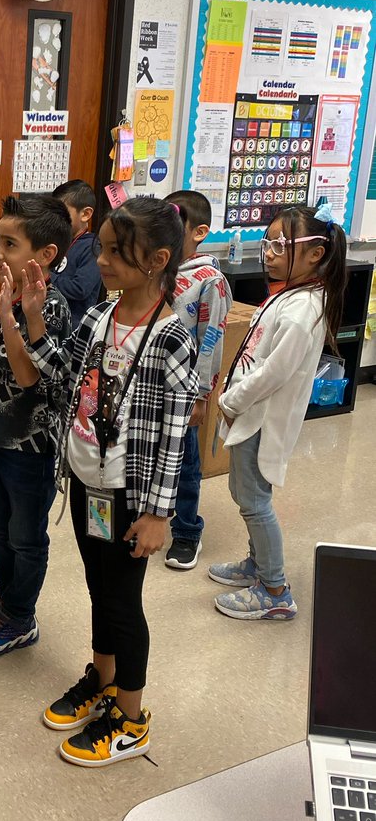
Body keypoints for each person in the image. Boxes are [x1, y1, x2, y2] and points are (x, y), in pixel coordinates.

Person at [23, 197, 197, 766]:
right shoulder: (100, 317)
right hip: (86, 478)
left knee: (124, 601)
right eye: (99, 248)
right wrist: (26, 317)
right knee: (99, 588)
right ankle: (101, 677)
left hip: (131, 493)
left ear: (158, 260)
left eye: (117, 253)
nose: (101, 261)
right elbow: (57, 370)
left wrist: (158, 513)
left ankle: (131, 716)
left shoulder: (171, 336)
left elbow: (175, 435)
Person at [209, 202, 347, 621]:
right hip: (250, 414)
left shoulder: (304, 308)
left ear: (314, 254)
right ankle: (257, 563)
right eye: (266, 242)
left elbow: (275, 371)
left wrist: (231, 401)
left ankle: (275, 588)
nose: (268, 251)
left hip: (261, 420)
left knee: (254, 501)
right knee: (244, 493)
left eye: (279, 244)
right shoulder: (290, 295)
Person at [0, 194, 72, 655]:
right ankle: (8, 601)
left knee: (26, 536)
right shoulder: (6, 295)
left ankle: (22, 616)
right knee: (0, 528)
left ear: (44, 255)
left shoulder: (51, 307)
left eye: (9, 243)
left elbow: (29, 376)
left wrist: (9, 316)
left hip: (33, 451)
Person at [162, 190, 233, 570]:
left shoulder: (210, 280)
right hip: (153, 383)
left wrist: (202, 395)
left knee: (186, 461)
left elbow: (212, 340)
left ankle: (188, 531)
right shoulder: (160, 267)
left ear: (199, 231)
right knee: (155, 455)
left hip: (187, 388)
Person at [51, 178, 103, 326]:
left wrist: (47, 277)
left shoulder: (93, 246)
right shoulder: (58, 242)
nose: (56, 219)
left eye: (62, 213)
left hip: (75, 328)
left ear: (85, 214)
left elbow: (80, 289)